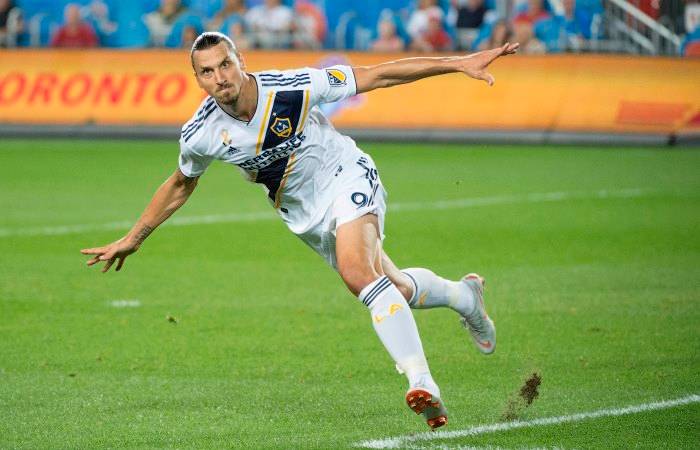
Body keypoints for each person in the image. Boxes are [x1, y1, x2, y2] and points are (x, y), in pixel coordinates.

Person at [81, 31, 518, 429]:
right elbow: (181, 183)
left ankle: (421, 382)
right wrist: (133, 238)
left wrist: (458, 63)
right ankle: (465, 297)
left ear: (241, 60)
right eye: (208, 71)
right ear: (197, 80)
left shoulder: (293, 86)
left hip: (346, 175)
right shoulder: (201, 133)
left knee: (358, 275)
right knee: (394, 289)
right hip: (305, 217)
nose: (220, 77)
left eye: (225, 64)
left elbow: (377, 75)